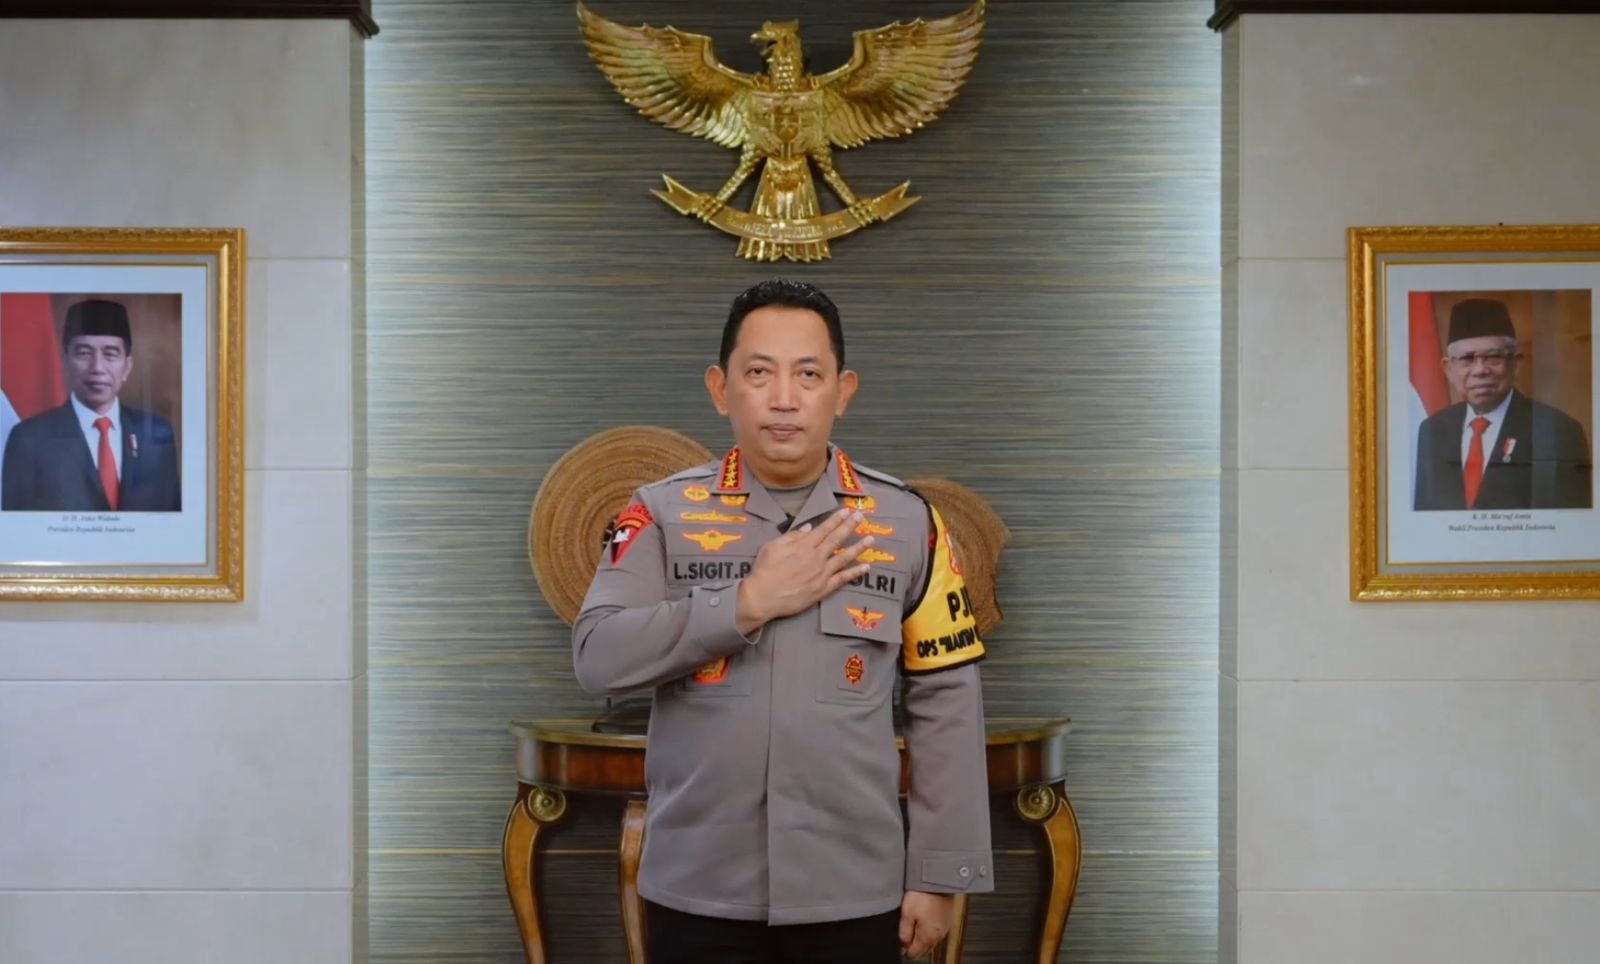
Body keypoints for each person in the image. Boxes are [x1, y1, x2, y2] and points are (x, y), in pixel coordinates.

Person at [571, 280, 993, 963]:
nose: (785, 398)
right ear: (721, 388)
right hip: (696, 888)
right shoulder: (660, 513)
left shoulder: (909, 521)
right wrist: (745, 603)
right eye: (760, 373)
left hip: (857, 890)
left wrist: (940, 874)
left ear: (843, 391)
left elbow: (947, 699)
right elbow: (598, 655)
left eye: (809, 375)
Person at [1, 299, 181, 513]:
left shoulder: (157, 435)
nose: (97, 368)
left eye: (110, 354)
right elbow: (17, 527)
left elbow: (171, 520)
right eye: (84, 353)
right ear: (65, 362)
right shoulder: (28, 439)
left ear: (127, 367)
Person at [1414, 297, 1592, 511]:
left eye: (1493, 357)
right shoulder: (1432, 431)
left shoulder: (1558, 432)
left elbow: (1568, 524)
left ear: (1515, 364)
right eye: (1467, 359)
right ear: (1448, 369)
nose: (1480, 370)